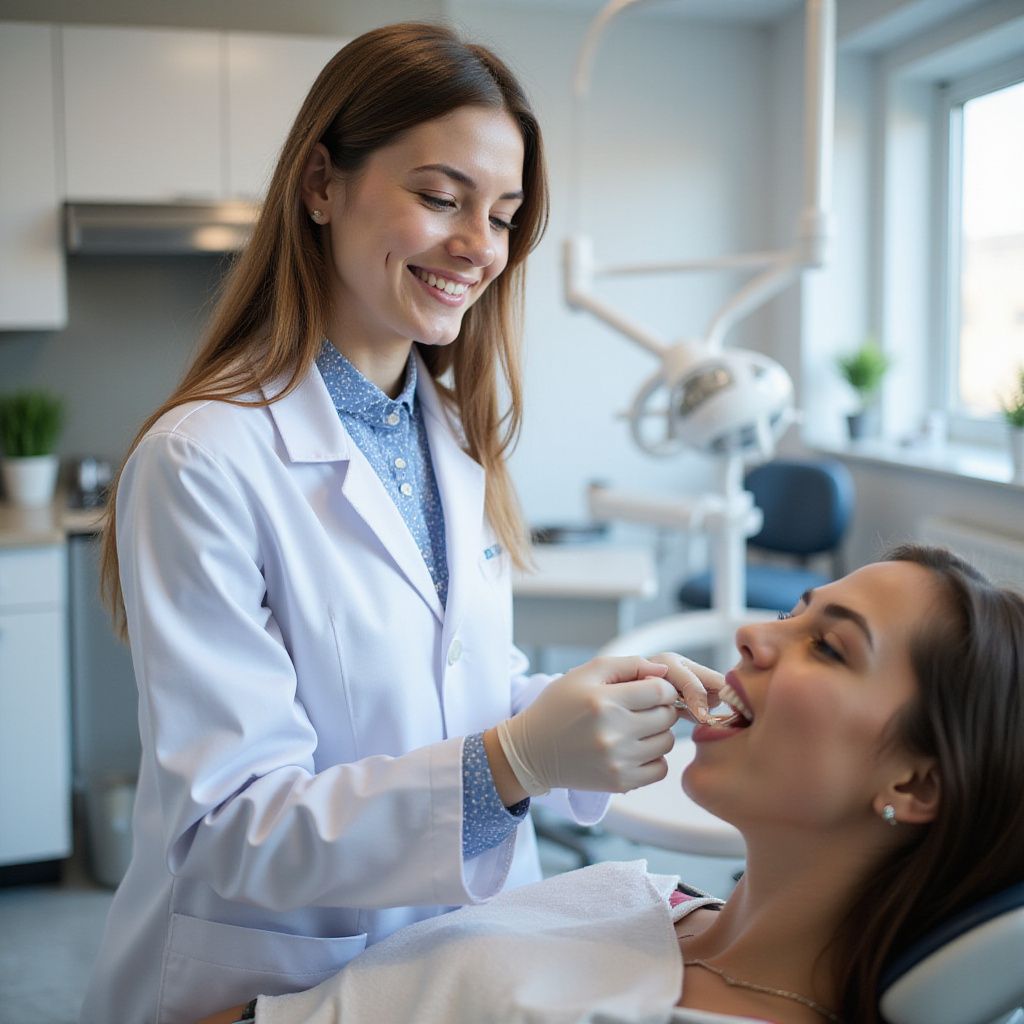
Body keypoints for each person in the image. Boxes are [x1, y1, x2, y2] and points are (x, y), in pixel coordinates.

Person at [80, 22, 718, 1024]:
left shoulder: (455, 440)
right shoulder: (204, 458)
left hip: (450, 960)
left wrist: (592, 707)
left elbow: (447, 684)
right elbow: (229, 828)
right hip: (266, 979)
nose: (479, 247)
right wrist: (512, 760)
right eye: (439, 197)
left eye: (503, 215)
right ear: (321, 185)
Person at [199, 545, 1024, 1024]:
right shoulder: (649, 897)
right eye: (794, 615)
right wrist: (523, 749)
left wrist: (518, 762)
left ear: (917, 782)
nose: (751, 634)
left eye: (831, 648)